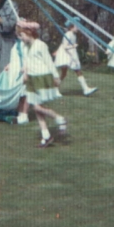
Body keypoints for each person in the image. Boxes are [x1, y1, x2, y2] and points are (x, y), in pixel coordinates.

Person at [15, 20, 68, 148]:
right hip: (32, 79)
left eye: (21, 35)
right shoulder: (26, 47)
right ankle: (46, 136)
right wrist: (25, 73)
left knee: (37, 107)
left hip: (42, 78)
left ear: (29, 33)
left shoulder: (40, 45)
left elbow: (49, 61)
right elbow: (26, 61)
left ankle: (59, 118)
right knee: (37, 109)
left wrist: (56, 76)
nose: (21, 38)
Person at [54, 18, 98, 97]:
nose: (78, 28)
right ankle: (55, 89)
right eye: (76, 26)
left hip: (71, 54)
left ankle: (86, 89)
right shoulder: (68, 34)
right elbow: (65, 46)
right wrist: (73, 46)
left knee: (75, 71)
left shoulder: (73, 35)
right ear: (71, 27)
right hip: (66, 55)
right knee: (65, 73)